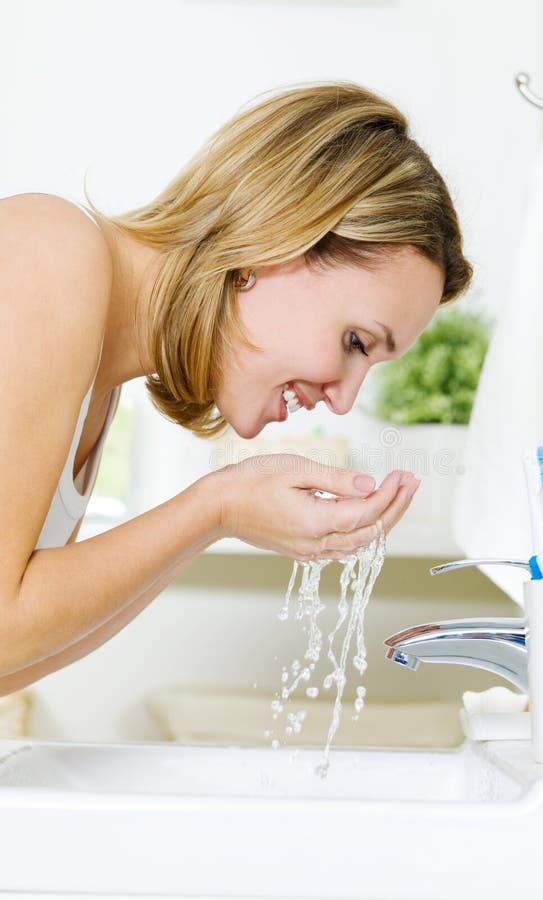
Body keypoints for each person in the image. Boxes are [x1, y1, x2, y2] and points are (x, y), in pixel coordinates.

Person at [0, 82, 472, 693]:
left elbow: (14, 660)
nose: (344, 398)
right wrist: (215, 507)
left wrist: (221, 518)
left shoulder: (100, 381)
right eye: (356, 341)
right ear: (278, 236)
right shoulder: (50, 255)